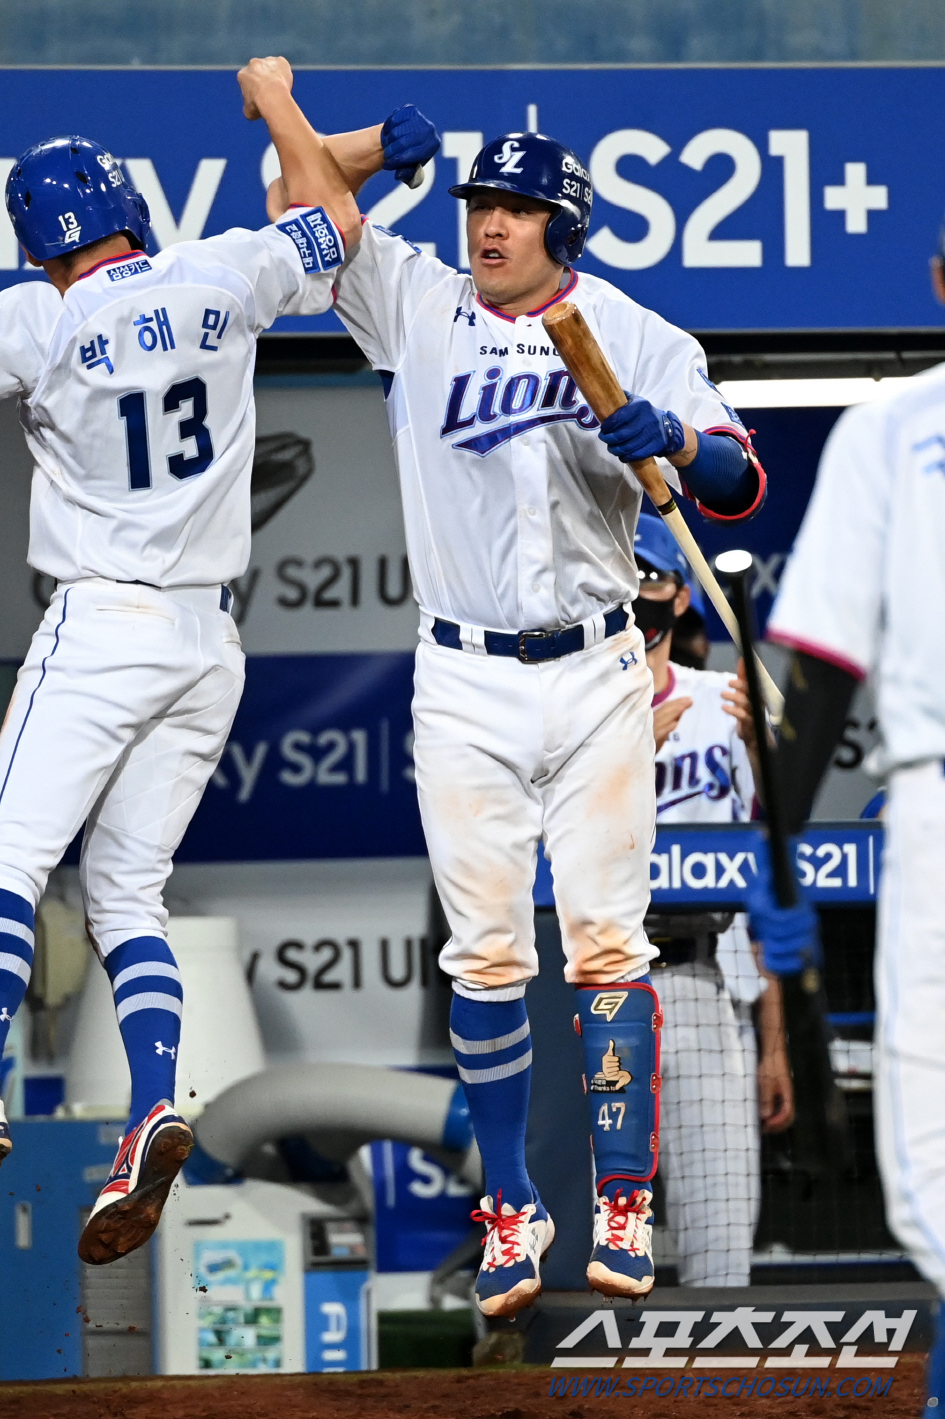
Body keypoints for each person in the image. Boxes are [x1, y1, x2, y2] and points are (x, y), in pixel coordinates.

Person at [0, 57, 361, 1266]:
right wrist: (279, 101)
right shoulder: (225, 262)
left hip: (104, 621)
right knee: (126, 895)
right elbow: (335, 218)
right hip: (211, 640)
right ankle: (156, 1101)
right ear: (128, 211)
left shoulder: (41, 315)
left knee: (4, 858)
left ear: (38, 243)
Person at [267, 110, 765, 1310]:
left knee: (605, 948)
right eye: (480, 203)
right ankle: (510, 1208)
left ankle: (625, 1199)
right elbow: (312, 202)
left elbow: (739, 482)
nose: (489, 221)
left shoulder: (635, 334)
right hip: (462, 673)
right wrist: (335, 123)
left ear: (565, 224)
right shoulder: (416, 298)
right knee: (485, 958)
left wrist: (678, 444)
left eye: (517, 206)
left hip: (597, 667)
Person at [750, 221, 945, 1417]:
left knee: (928, 1170)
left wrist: (780, 866)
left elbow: (816, 678)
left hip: (938, 797)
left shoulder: (895, 426)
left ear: (937, 279)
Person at [633, 514, 793, 1287]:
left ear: (682, 594)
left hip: (709, 991)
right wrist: (628, 757)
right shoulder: (568, 710)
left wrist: (775, 1040)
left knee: (721, 1247)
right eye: (623, 577)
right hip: (598, 995)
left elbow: (777, 872)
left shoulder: (723, 704)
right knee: (590, 1242)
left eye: (651, 578)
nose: (638, 595)